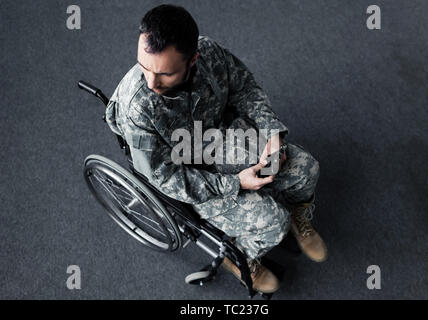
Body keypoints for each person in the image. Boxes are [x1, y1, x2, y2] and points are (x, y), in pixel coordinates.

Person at [105, 4, 327, 294]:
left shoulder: (210, 53)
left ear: (192, 59)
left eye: (165, 74)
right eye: (144, 67)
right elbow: (164, 177)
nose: (151, 81)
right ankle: (242, 259)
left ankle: (301, 218)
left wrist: (271, 130)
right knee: (274, 223)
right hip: (189, 173)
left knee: (307, 170)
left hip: (223, 138)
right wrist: (234, 183)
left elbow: (245, 89)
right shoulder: (137, 107)